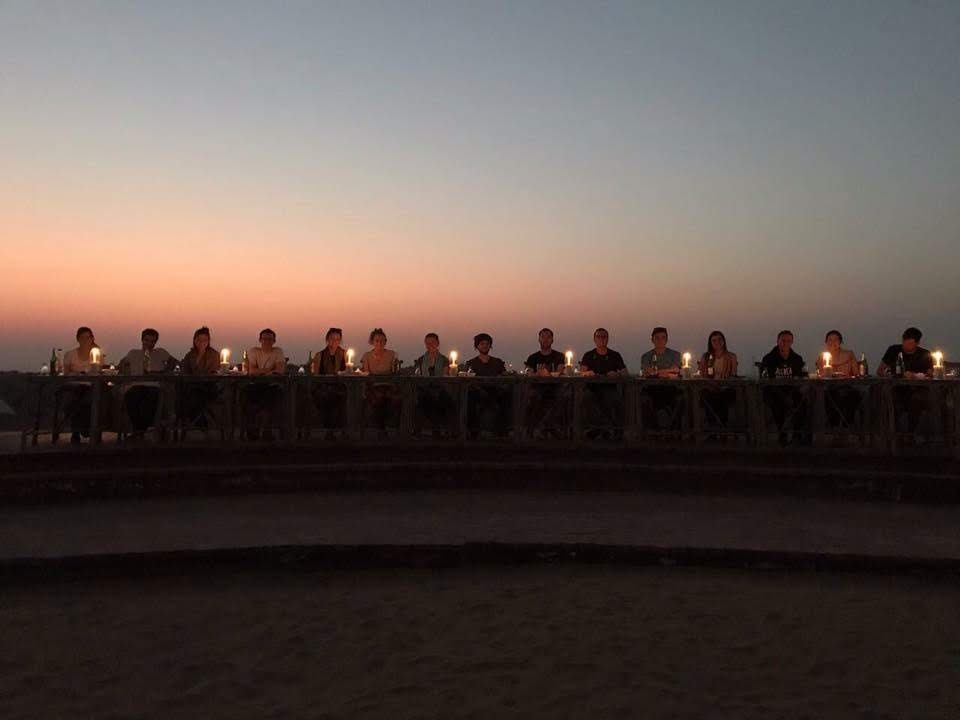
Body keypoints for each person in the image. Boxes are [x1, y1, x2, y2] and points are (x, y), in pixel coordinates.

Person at [877, 327, 935, 436]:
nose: (906, 346)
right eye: (904, 343)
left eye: (910, 344)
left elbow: (930, 374)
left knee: (917, 400)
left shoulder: (925, 354)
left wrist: (916, 376)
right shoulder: (894, 350)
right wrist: (895, 375)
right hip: (897, 388)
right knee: (892, 400)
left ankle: (910, 433)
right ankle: (895, 433)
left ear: (917, 343)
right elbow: (880, 371)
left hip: (918, 389)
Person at [119, 328, 174, 438]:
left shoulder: (160, 353)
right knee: (132, 396)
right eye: (147, 340)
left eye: (152, 341)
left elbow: (174, 362)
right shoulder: (133, 353)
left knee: (151, 399)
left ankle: (139, 431)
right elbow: (122, 365)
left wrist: (163, 372)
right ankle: (140, 430)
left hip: (154, 386)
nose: (149, 343)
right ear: (142, 340)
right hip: (136, 385)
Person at [760, 331, 809, 445]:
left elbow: (801, 377)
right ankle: (782, 433)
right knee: (777, 403)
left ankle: (798, 433)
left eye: (788, 341)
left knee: (802, 401)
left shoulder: (797, 358)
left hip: (792, 390)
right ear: (777, 341)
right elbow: (765, 378)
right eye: (783, 340)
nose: (785, 343)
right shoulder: (769, 358)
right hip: (774, 390)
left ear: (792, 342)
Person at [579, 328, 627, 437]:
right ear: (594, 339)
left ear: (608, 339)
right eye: (599, 336)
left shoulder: (615, 355)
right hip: (591, 388)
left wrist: (617, 374)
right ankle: (603, 427)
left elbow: (625, 374)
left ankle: (610, 429)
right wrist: (588, 373)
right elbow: (581, 372)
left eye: (604, 336)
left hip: (609, 388)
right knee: (585, 398)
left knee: (614, 399)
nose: (601, 339)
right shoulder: (588, 355)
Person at [242, 328, 286, 441]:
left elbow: (280, 371)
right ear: (260, 340)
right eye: (265, 339)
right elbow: (251, 371)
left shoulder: (278, 351)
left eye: (270, 339)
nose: (267, 341)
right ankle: (252, 431)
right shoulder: (254, 351)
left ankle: (267, 431)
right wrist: (270, 370)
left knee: (273, 398)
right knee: (247, 398)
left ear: (274, 341)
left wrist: (260, 370)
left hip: (272, 385)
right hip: (255, 384)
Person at [523, 329, 567, 438]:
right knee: (532, 397)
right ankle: (534, 428)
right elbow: (528, 372)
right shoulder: (533, 357)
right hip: (537, 387)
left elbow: (560, 370)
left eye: (548, 337)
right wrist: (537, 373)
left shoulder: (559, 356)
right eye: (543, 337)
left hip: (554, 387)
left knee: (564, 397)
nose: (545, 339)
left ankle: (545, 426)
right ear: (539, 339)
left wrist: (548, 374)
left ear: (552, 340)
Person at [61, 326, 101, 443]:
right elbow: (66, 374)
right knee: (74, 398)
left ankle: (82, 429)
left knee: (89, 399)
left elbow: (98, 371)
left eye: (88, 337)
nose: (85, 340)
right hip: (73, 386)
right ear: (78, 339)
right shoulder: (70, 354)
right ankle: (78, 431)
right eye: (82, 338)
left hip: (90, 386)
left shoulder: (96, 354)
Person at [465, 333, 510, 436]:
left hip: (496, 391)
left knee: (507, 396)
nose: (485, 346)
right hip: (478, 392)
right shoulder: (471, 363)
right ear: (477, 346)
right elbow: (469, 381)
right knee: (469, 398)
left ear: (490, 346)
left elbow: (504, 377)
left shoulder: (497, 362)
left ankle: (502, 430)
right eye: (482, 344)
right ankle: (473, 430)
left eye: (487, 344)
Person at [640, 327, 683, 432]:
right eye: (657, 338)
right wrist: (668, 372)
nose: (660, 340)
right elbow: (647, 371)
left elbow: (676, 370)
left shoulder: (675, 355)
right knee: (643, 400)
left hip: (671, 388)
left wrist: (656, 372)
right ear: (652, 340)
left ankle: (674, 431)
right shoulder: (646, 356)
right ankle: (652, 431)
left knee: (682, 399)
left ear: (667, 339)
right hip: (652, 389)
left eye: (663, 338)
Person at [180, 326, 222, 431]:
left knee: (196, 397)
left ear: (208, 341)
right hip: (191, 386)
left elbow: (214, 372)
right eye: (199, 340)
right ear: (194, 340)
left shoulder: (214, 354)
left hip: (208, 387)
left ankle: (199, 422)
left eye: (204, 340)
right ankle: (199, 422)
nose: (201, 342)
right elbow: (184, 369)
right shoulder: (190, 355)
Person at [308, 328, 348, 435]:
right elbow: (316, 376)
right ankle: (329, 431)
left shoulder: (344, 354)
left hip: (339, 386)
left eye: (337, 339)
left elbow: (347, 371)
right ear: (327, 339)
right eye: (332, 338)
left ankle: (341, 430)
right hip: (322, 386)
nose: (335, 341)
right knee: (327, 398)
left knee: (341, 398)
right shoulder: (319, 355)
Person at [697, 331, 738, 432]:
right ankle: (714, 428)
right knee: (708, 397)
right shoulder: (705, 357)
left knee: (722, 398)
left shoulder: (731, 357)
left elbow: (733, 375)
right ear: (710, 343)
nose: (717, 342)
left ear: (723, 341)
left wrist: (723, 384)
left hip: (726, 387)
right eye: (714, 340)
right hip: (710, 387)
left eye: (720, 339)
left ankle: (721, 427)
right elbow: (702, 375)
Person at [413, 333, 454, 434]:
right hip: (424, 388)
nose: (430, 345)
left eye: (433, 342)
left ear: (438, 343)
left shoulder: (444, 359)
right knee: (423, 399)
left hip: (440, 388)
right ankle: (418, 430)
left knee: (443, 400)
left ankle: (444, 429)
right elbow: (418, 375)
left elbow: (445, 376)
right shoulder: (421, 359)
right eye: (427, 343)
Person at [361, 328, 399, 431]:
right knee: (378, 399)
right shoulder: (367, 356)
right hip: (373, 387)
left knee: (390, 399)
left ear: (385, 341)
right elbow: (366, 374)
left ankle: (385, 428)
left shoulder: (392, 354)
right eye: (377, 340)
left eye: (382, 340)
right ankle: (381, 429)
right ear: (372, 342)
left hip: (388, 386)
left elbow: (395, 372)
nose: (380, 343)